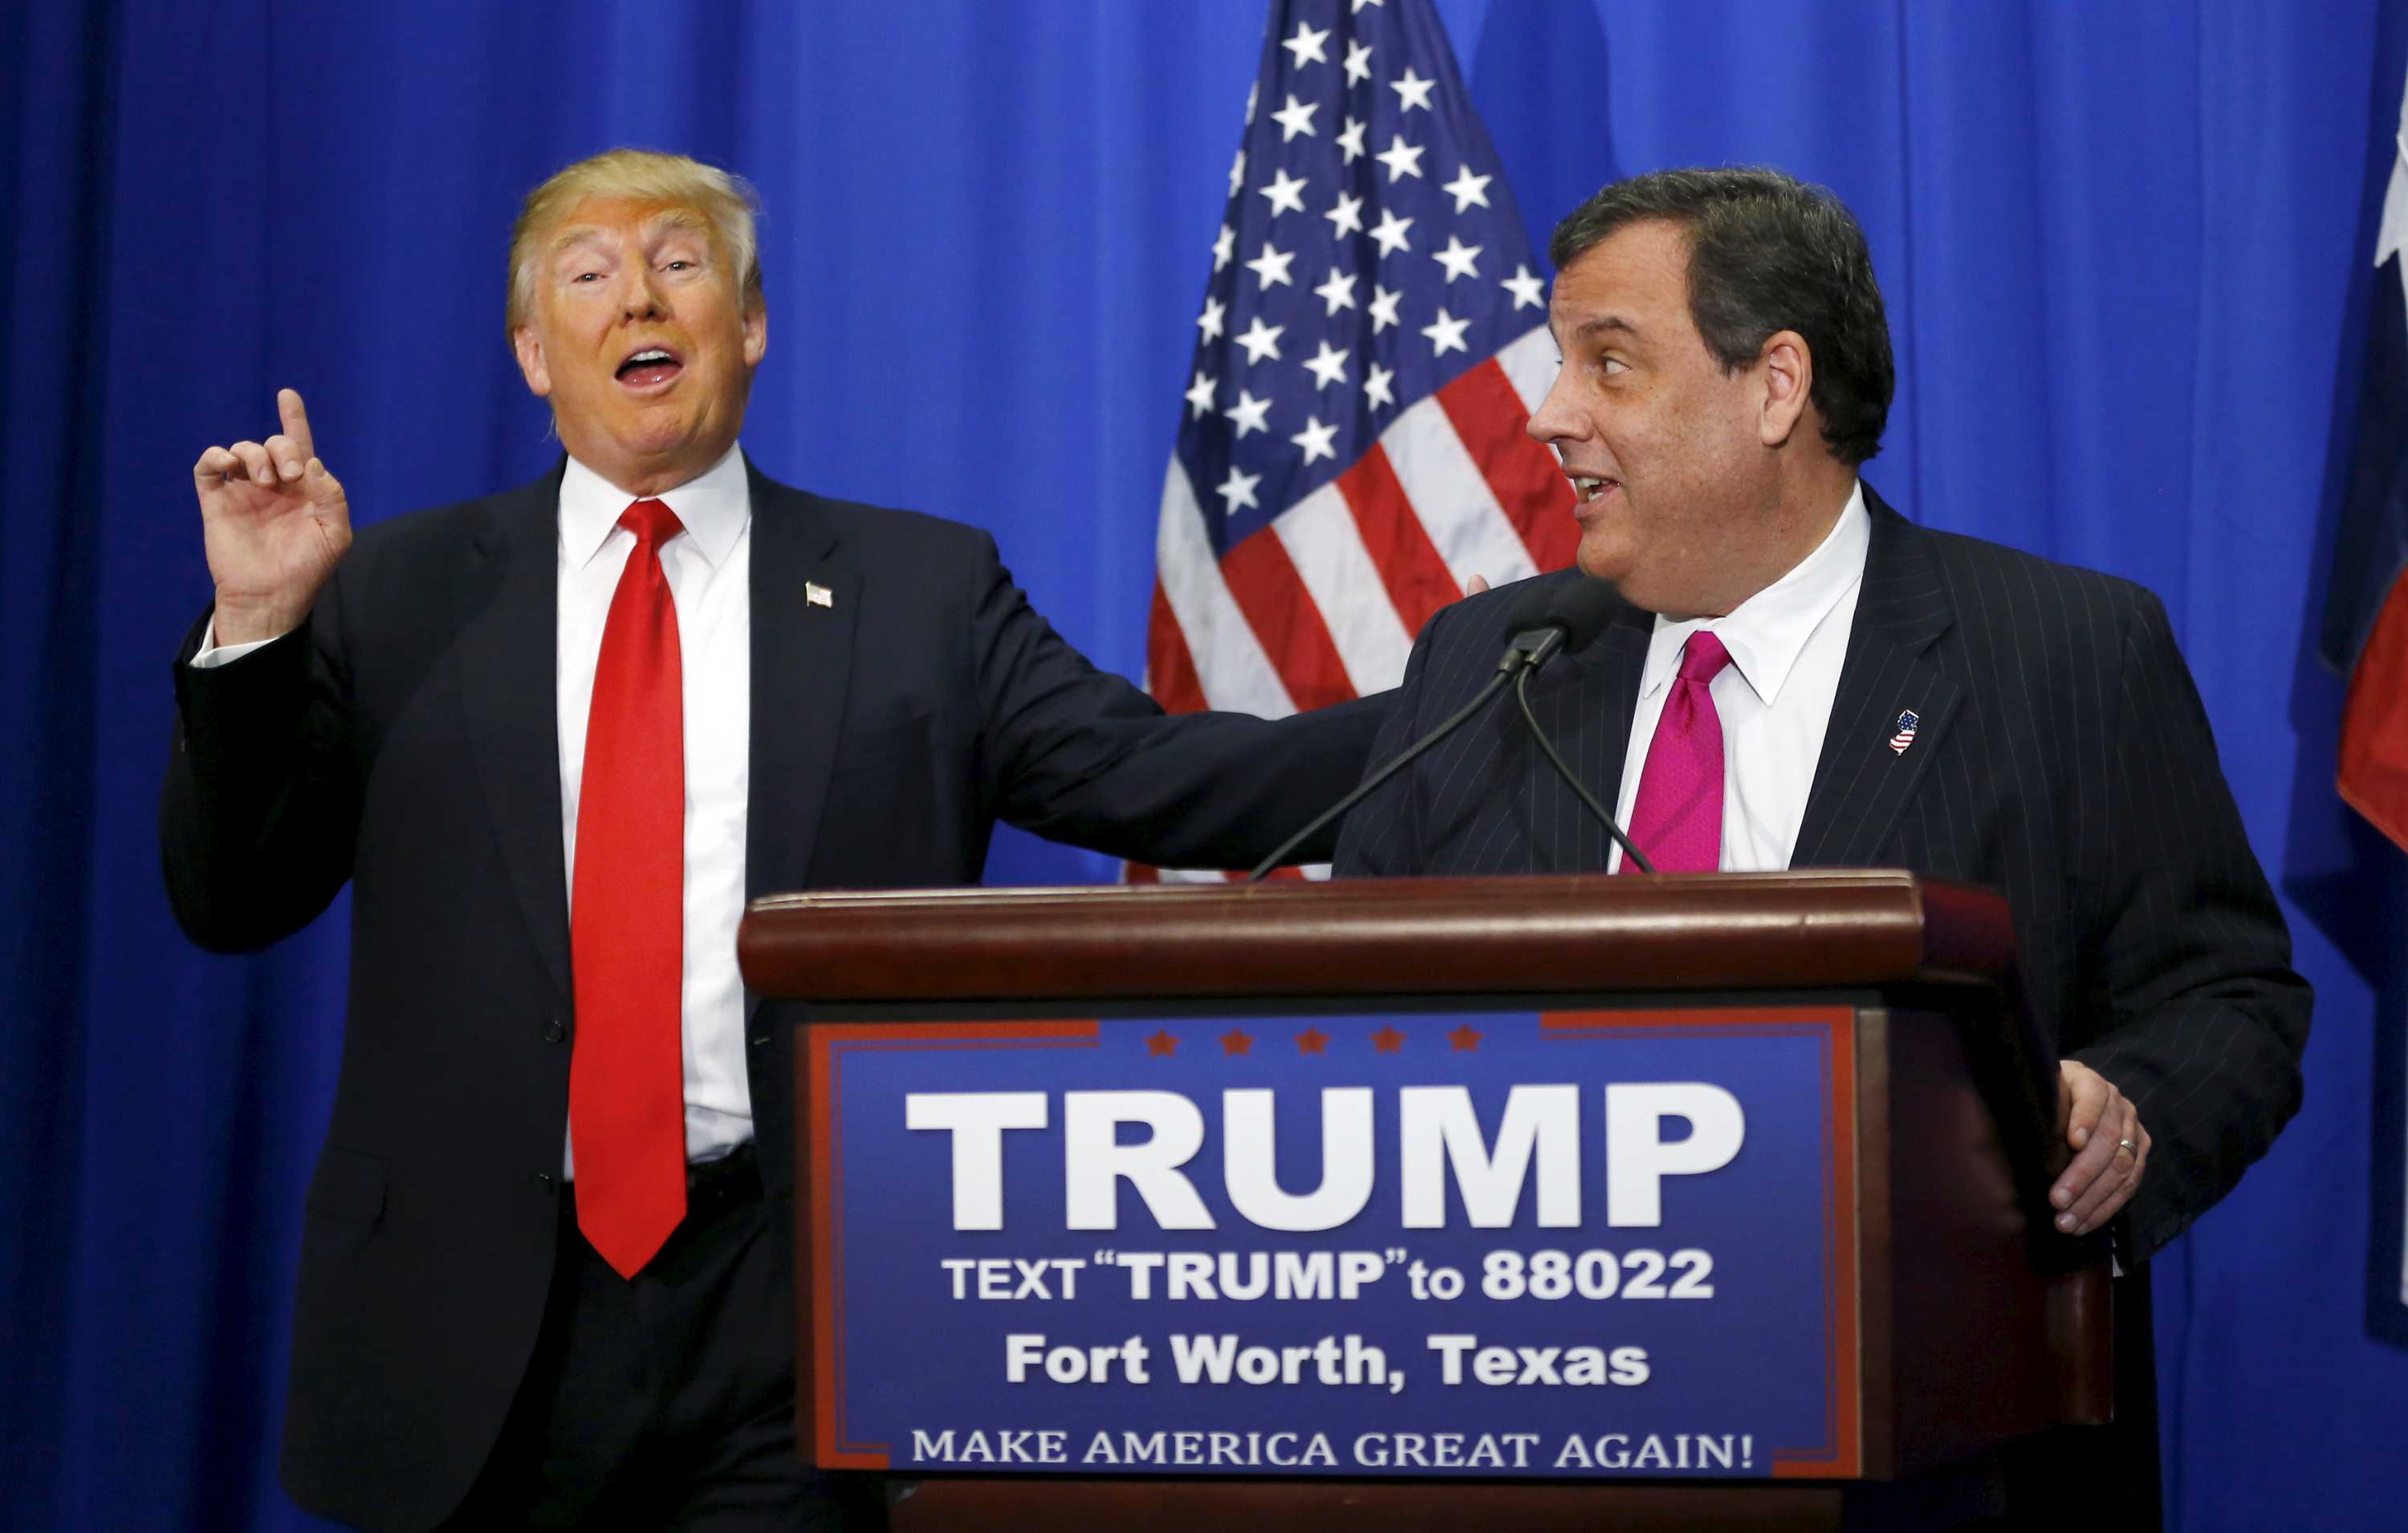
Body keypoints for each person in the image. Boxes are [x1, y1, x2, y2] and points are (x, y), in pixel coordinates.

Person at [162, 148, 1385, 1531]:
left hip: (794, 1304)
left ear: (747, 327)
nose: (639, 299)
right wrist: (256, 630)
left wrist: (1474, 707)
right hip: (469, 1309)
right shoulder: (392, 591)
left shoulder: (919, 592)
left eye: (680, 264)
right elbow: (233, 894)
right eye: (589, 274)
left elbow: (1171, 780)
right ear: (529, 353)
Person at [1332, 167, 2310, 1518]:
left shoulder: (2066, 654)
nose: (1552, 416)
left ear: (1776, 384)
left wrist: (2126, 1108)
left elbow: (2230, 997)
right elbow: (1338, 1023)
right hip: (1537, 1447)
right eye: (1564, 364)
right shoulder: (1485, 664)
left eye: (1608, 364)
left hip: (1947, 1461)